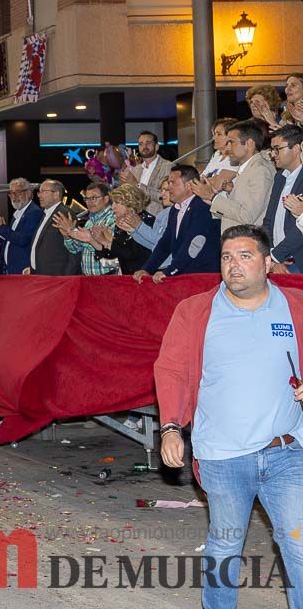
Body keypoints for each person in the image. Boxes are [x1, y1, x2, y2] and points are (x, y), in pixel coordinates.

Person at [155, 225, 303, 607]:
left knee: (300, 545)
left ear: (268, 263)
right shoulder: (195, 312)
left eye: (245, 256)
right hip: (223, 455)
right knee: (224, 545)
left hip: (286, 451)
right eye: (226, 257)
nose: (234, 265)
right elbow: (170, 369)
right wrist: (171, 427)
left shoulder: (296, 307)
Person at [133, 164, 221, 281]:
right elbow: (165, 244)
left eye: (172, 183)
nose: (168, 188)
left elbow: (194, 244)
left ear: (189, 185)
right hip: (184, 275)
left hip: (203, 277)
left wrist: (170, 271)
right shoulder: (175, 209)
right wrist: (147, 269)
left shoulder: (202, 206)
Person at [191, 118, 275, 232]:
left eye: (232, 142)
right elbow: (234, 214)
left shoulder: (260, 170)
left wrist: (213, 197)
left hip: (247, 241)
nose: (228, 147)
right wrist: (212, 200)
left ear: (249, 144)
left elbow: (247, 216)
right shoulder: (247, 168)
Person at [54, 182, 118, 275]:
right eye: (86, 199)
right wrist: (67, 236)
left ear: (106, 199)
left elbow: (111, 251)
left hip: (107, 275)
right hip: (88, 277)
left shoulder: (113, 218)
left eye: (94, 198)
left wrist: (88, 240)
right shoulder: (90, 221)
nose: (89, 202)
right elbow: (75, 249)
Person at [263, 124, 303, 274]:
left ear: (297, 148)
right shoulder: (280, 177)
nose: (273, 154)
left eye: (277, 149)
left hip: (297, 260)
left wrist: (275, 256)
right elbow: (269, 220)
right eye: (272, 150)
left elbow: (300, 228)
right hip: (277, 260)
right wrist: (270, 253)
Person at [91, 183, 155, 275]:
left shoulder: (148, 221)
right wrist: (98, 242)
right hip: (127, 278)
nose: (112, 207)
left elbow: (135, 256)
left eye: (117, 203)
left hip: (146, 277)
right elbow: (113, 257)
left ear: (130, 203)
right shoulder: (120, 223)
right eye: (113, 203)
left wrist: (108, 242)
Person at [0, 178, 42, 274]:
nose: (13, 197)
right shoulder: (18, 213)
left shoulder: (34, 213)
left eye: (18, 193)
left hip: (23, 271)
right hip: (11, 270)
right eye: (11, 193)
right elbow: (9, 241)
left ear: (29, 193)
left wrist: (1, 227)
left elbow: (22, 240)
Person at [24, 180, 81, 276]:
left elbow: (75, 249)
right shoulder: (47, 213)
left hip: (57, 277)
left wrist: (67, 277)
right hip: (41, 275)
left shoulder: (64, 214)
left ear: (56, 194)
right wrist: (33, 267)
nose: (39, 195)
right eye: (39, 192)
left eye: (44, 192)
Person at [120, 130, 173, 215]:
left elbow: (165, 196)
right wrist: (124, 184)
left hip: (158, 219)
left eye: (148, 143)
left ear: (156, 147)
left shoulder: (168, 167)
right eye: (141, 144)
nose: (144, 146)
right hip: (136, 220)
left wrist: (137, 185)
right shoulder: (136, 169)